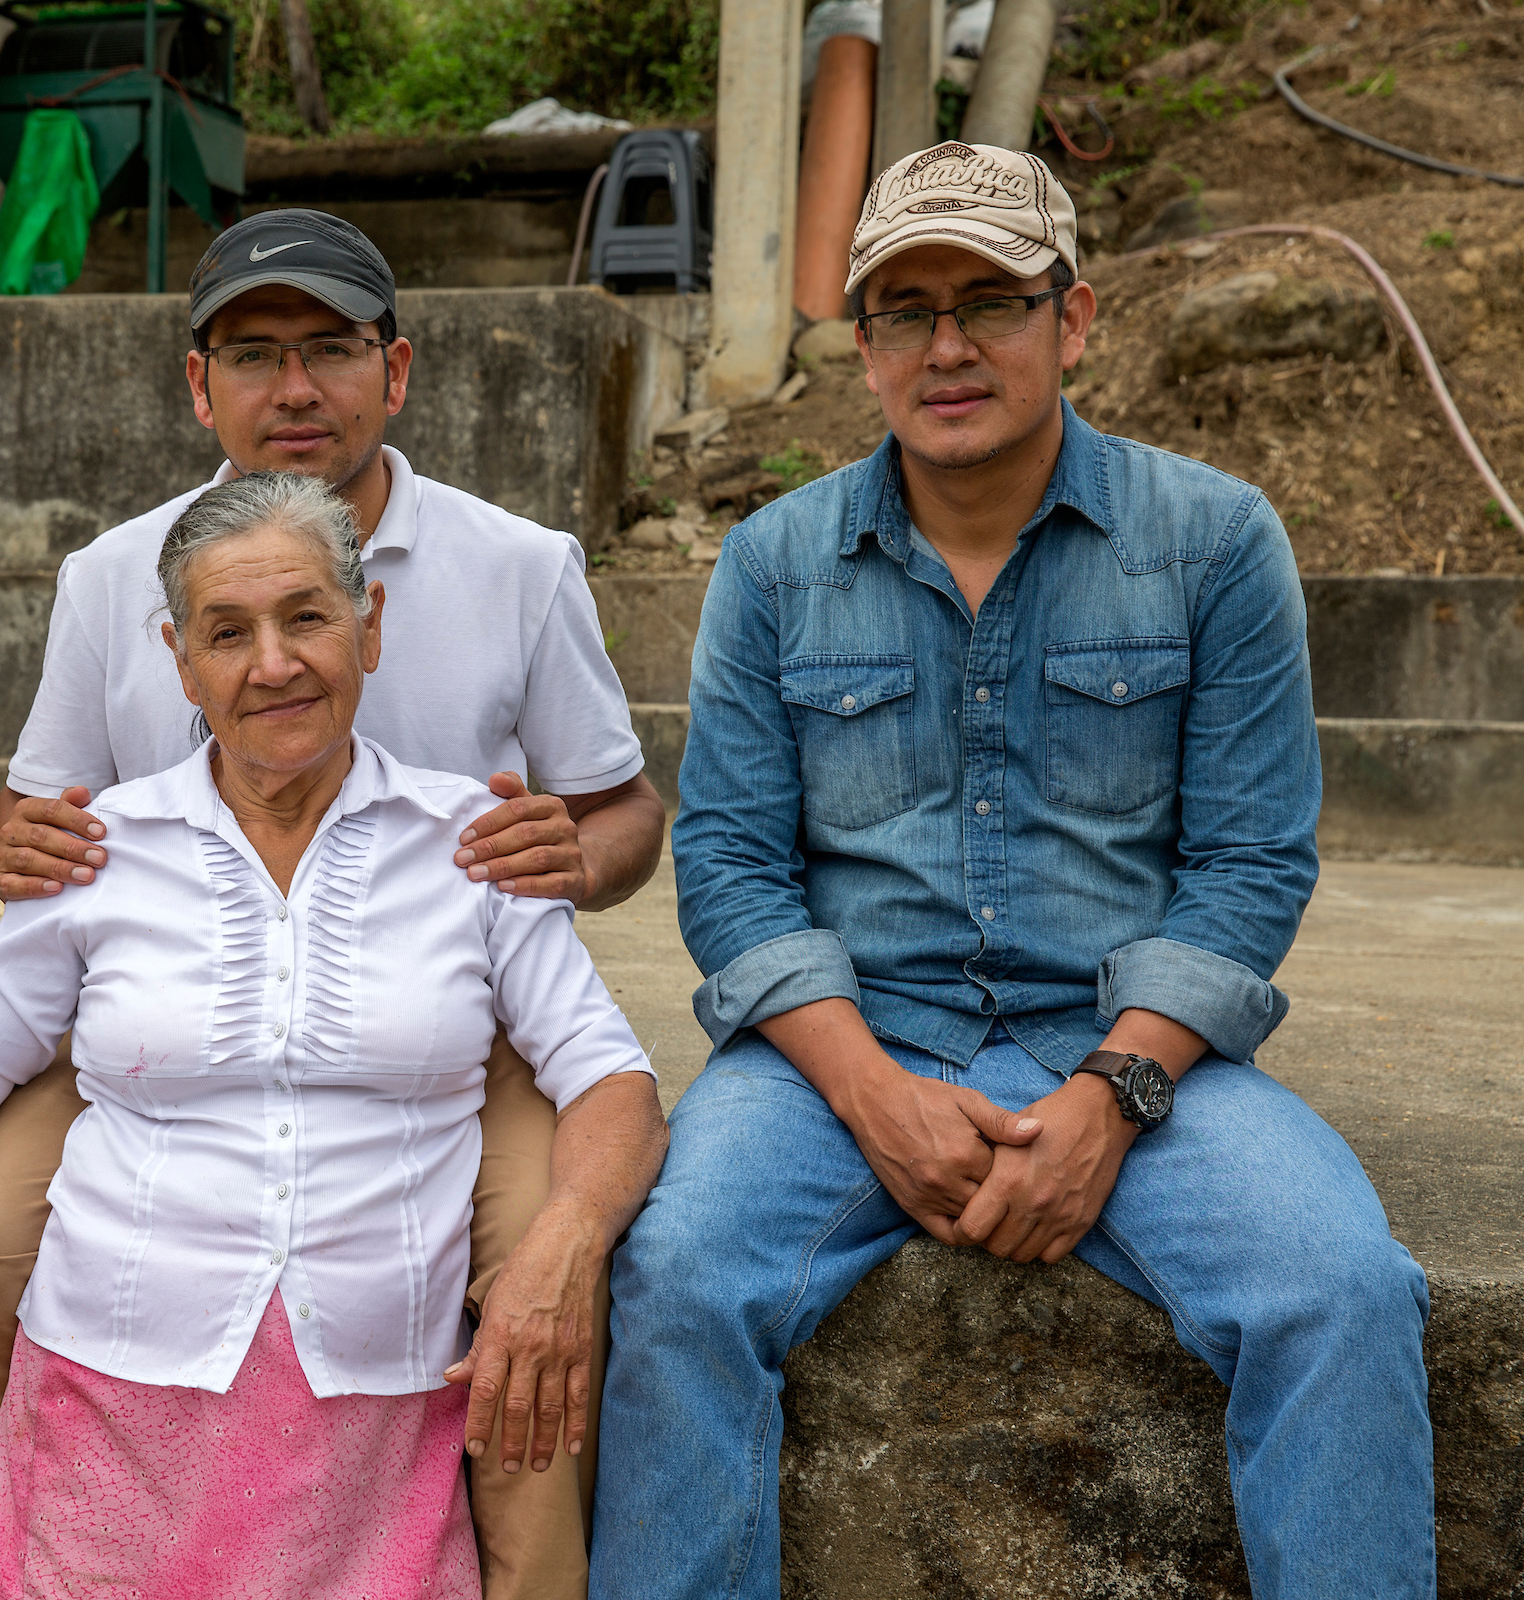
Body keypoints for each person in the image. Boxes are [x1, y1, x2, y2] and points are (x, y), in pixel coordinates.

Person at [594, 143, 1434, 1598]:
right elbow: (728, 864)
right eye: (904, 310)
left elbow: (1248, 863)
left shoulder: (1213, 544)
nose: (949, 346)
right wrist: (870, 1093)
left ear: (1076, 317)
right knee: (673, 1281)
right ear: (863, 346)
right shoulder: (776, 563)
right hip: (838, 1053)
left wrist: (1117, 1097)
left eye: (990, 299)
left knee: (1344, 1290)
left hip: (1133, 1047)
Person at [0, 209, 667, 1598]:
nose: (295, 388)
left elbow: (621, 810)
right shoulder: (114, 579)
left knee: (540, 1270)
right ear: (198, 385)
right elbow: (45, 826)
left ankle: (529, 1579)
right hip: (158, 1012)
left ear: (397, 369)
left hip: (455, 1015)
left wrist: (570, 858)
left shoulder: (518, 565)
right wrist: (23, 851)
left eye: (330, 349)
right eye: (253, 355)